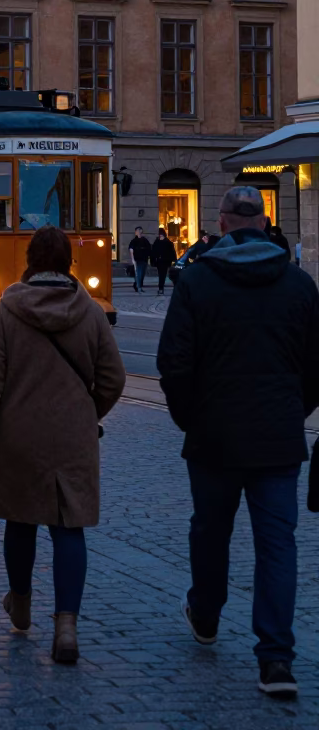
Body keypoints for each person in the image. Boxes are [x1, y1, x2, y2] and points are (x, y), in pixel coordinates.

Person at [157, 186, 319, 700]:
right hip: (277, 437)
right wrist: (295, 411)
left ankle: (205, 614)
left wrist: (191, 419)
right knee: (278, 547)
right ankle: (275, 660)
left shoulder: (199, 280)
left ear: (222, 224)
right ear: (267, 224)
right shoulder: (298, 285)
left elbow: (173, 364)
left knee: (210, 531)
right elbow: (316, 366)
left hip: (214, 434)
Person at [0, 226, 125, 663]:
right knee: (69, 528)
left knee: (21, 522)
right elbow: (113, 378)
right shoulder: (89, 311)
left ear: (30, 261)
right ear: (69, 261)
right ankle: (67, 628)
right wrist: (88, 412)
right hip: (74, 438)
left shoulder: (8, 309)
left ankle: (21, 606)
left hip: (19, 436)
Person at [150, 228, 177, 296]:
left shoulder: (168, 243)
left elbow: (172, 252)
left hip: (165, 261)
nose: (161, 237)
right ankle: (161, 288)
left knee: (163, 275)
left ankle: (161, 288)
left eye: (161, 235)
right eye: (160, 235)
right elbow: (153, 252)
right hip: (159, 261)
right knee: (161, 275)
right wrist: (153, 260)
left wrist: (173, 260)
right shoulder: (157, 242)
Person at [128, 226, 151, 292]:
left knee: (142, 274)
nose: (139, 232)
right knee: (139, 274)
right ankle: (138, 287)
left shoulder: (145, 240)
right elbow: (131, 250)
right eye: (137, 231)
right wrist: (133, 259)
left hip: (144, 259)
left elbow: (149, 249)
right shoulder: (134, 241)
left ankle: (138, 285)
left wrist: (149, 258)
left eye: (140, 231)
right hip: (137, 260)